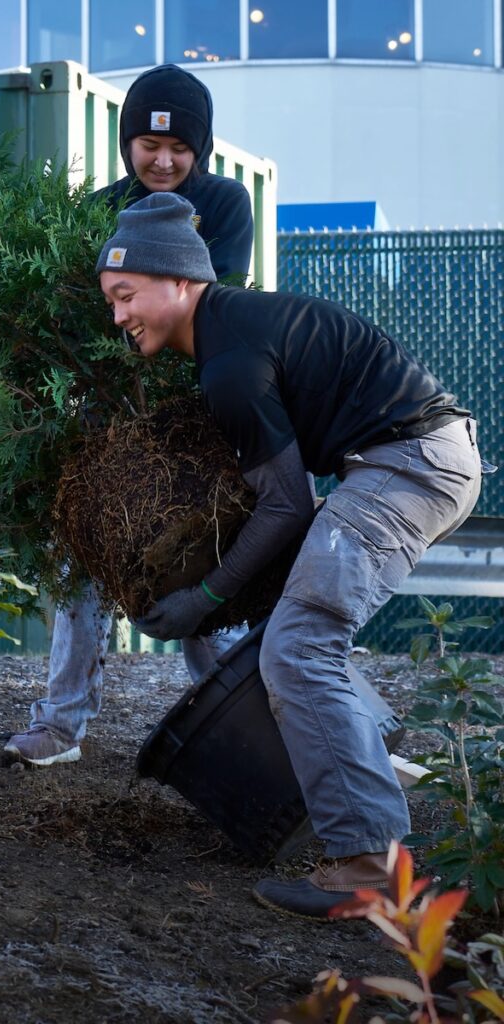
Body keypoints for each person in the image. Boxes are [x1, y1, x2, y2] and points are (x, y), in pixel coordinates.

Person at [95, 191, 489, 919]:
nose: (118, 317)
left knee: (301, 647)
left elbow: (286, 503)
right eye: (111, 301)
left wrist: (204, 600)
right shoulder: (230, 331)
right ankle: (360, 779)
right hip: (414, 458)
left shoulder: (230, 363)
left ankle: (369, 862)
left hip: (410, 465)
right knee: (300, 634)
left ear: (179, 281)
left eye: (126, 296)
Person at [4, 64, 254, 767]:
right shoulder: (99, 206)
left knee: (204, 559)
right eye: (149, 144)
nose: (164, 159)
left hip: (196, 416)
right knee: (82, 550)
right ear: (127, 143)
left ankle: (250, 723)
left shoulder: (227, 201)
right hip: (110, 417)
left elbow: (207, 302)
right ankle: (59, 724)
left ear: (199, 149)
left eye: (179, 148)